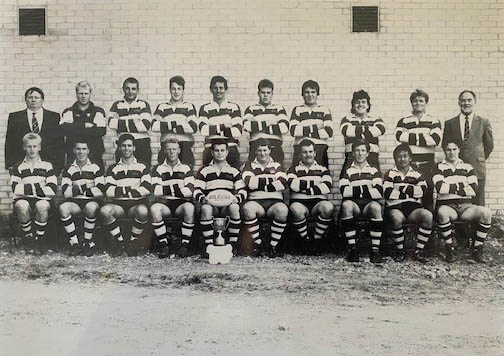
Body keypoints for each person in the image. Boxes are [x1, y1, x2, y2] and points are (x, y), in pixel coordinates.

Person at [433, 140, 492, 263]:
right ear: (445, 151)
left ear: (459, 150)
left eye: (454, 149)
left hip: (466, 206)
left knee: (486, 213)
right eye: (449, 150)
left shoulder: (468, 167)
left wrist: (451, 186)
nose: (452, 152)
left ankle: (477, 249)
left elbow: (474, 190)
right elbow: (440, 188)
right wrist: (462, 186)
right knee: (442, 213)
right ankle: (449, 248)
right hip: (447, 206)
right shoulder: (438, 167)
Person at [193, 140, 247, 257]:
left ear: (227, 152)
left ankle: (233, 245)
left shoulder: (234, 171)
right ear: (212, 152)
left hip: (227, 204)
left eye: (222, 150)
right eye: (216, 150)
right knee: (206, 209)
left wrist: (237, 199)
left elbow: (242, 190)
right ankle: (208, 245)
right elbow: (196, 190)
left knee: (234, 207)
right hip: (211, 204)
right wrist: (203, 199)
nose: (219, 153)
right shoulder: (204, 170)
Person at [101, 134, 151, 257]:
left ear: (134, 148)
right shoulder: (113, 168)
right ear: (119, 148)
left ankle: (133, 242)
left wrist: (120, 190)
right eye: (123, 146)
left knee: (143, 211)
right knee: (105, 211)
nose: (126, 148)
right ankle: (120, 242)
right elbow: (108, 191)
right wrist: (132, 190)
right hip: (119, 206)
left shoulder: (143, 166)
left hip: (136, 205)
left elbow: (146, 188)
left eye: (129, 145)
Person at [442, 90, 493, 206]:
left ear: (475, 102)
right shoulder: (450, 123)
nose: (466, 103)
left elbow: (489, 145)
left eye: (469, 100)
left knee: (478, 202)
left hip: (477, 168)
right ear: (459, 102)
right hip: (456, 168)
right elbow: (445, 144)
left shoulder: (484, 122)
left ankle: (479, 224)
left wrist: (478, 157)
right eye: (463, 100)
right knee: (458, 200)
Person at [383, 144, 433, 263]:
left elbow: (422, 192)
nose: (402, 159)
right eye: (399, 157)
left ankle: (418, 251)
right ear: (395, 159)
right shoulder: (390, 174)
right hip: (395, 207)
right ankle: (400, 251)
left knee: (428, 216)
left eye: (405, 156)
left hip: (413, 208)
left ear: (410, 158)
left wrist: (400, 189)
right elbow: (388, 193)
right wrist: (411, 191)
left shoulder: (417, 174)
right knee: (396, 218)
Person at [10, 133, 57, 254]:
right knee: (21, 205)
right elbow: (16, 189)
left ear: (39, 147)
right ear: (24, 147)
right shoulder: (18, 167)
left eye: (35, 146)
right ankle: (29, 238)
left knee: (41, 206)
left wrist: (26, 188)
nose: (32, 149)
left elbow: (52, 190)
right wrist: (40, 187)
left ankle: (40, 239)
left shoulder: (47, 166)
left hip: (43, 200)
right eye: (29, 146)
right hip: (24, 200)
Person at [395, 89, 441, 210]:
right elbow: (399, 136)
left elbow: (435, 139)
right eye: (415, 101)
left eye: (421, 101)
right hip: (410, 166)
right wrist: (425, 138)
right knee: (411, 194)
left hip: (428, 165)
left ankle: (428, 224)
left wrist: (409, 137)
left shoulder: (433, 120)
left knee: (427, 194)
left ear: (426, 103)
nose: (418, 103)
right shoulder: (404, 120)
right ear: (411, 103)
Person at [242, 138, 288, 258]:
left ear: (269, 151)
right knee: (247, 209)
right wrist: (272, 183)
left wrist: (259, 183)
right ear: (255, 152)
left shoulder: (277, 165)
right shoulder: (249, 166)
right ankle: (258, 245)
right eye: (259, 150)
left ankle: (273, 246)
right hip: (256, 201)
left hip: (275, 202)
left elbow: (283, 183)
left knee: (282, 210)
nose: (262, 153)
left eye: (265, 150)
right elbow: (249, 183)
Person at [339, 139, 384, 263]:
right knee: (346, 205)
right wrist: (367, 189)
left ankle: (375, 251)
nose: (360, 153)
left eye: (363, 150)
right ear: (353, 153)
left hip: (368, 205)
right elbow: (344, 192)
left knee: (376, 207)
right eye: (357, 151)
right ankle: (353, 250)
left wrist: (355, 190)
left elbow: (379, 192)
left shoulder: (374, 170)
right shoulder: (347, 171)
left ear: (368, 153)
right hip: (354, 205)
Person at [150, 137, 195, 259]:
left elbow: (190, 191)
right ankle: (164, 244)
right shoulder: (158, 168)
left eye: (174, 149)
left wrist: (167, 189)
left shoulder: (186, 168)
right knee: (155, 209)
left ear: (179, 150)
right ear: (164, 151)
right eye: (168, 149)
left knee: (190, 208)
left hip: (181, 204)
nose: (171, 152)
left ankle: (184, 245)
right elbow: (156, 191)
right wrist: (178, 188)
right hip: (165, 204)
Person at [59, 138, 105, 256]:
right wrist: (89, 186)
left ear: (88, 150)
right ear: (74, 150)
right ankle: (74, 243)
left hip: (91, 202)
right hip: (75, 203)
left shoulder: (96, 167)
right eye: (78, 149)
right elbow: (66, 192)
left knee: (90, 208)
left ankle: (87, 243)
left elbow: (100, 190)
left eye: (84, 149)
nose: (81, 152)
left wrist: (77, 188)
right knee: (63, 208)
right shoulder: (68, 168)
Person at [287, 139, 334, 255]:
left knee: (328, 207)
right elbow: (293, 185)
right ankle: (305, 241)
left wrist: (303, 189)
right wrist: (316, 186)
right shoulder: (293, 169)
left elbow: (327, 187)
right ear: (299, 155)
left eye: (310, 151)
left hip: (318, 204)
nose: (308, 155)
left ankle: (316, 240)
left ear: (315, 153)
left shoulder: (323, 169)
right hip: (299, 204)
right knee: (295, 209)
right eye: (304, 152)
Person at [5, 87, 64, 174]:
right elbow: (10, 142)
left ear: (42, 100)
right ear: (25, 100)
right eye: (30, 97)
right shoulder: (15, 117)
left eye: (36, 97)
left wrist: (59, 166)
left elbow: (59, 142)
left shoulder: (53, 117)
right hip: (21, 165)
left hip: (48, 164)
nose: (33, 100)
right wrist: (10, 165)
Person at [152, 76, 198, 167]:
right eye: (173, 89)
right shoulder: (162, 107)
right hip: (166, 148)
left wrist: (166, 124)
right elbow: (154, 126)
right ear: (170, 90)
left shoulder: (189, 106)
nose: (176, 92)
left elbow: (193, 128)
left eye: (179, 89)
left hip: (185, 148)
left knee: (185, 177)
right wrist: (181, 123)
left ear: (183, 90)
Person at [107, 77, 153, 167]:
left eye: (133, 89)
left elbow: (145, 125)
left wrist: (121, 122)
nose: (130, 91)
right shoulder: (117, 105)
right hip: (124, 146)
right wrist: (135, 121)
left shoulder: (143, 104)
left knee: (144, 173)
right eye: (127, 88)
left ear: (138, 90)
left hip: (142, 145)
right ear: (123, 89)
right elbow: (111, 123)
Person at [199, 76, 242, 168]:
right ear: (211, 89)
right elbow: (203, 130)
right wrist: (224, 127)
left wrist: (213, 129)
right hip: (210, 149)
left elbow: (237, 132)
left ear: (225, 89)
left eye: (221, 88)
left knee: (233, 178)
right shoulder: (205, 108)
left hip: (230, 149)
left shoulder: (234, 107)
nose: (218, 91)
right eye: (215, 88)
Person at [60, 81, 107, 167]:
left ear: (90, 94)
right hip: (73, 154)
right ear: (76, 94)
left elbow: (101, 131)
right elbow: (64, 130)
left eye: (86, 93)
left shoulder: (98, 111)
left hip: (94, 154)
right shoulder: (68, 111)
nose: (83, 96)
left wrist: (75, 128)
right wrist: (85, 126)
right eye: (80, 93)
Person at [340, 90, 386, 177]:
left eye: (363, 102)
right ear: (353, 105)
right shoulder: (347, 119)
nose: (360, 104)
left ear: (368, 105)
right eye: (357, 102)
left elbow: (381, 129)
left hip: (372, 157)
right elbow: (345, 130)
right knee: (346, 180)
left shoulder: (376, 119)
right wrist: (369, 132)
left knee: (375, 183)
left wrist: (356, 132)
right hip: (351, 157)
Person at [243, 79, 289, 166]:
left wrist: (258, 127)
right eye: (263, 92)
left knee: (277, 175)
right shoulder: (251, 109)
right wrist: (268, 123)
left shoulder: (279, 108)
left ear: (272, 94)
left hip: (275, 148)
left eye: (268, 93)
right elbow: (247, 126)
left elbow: (284, 128)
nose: (265, 95)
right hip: (256, 149)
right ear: (258, 93)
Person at [289, 80, 333, 168]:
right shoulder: (297, 110)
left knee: (322, 177)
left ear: (317, 94)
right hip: (301, 150)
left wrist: (303, 130)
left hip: (320, 150)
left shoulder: (324, 110)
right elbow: (294, 131)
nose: (310, 95)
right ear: (302, 94)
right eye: (307, 92)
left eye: (313, 92)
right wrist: (316, 127)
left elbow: (328, 132)